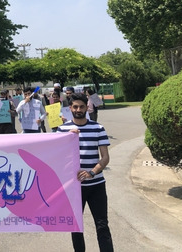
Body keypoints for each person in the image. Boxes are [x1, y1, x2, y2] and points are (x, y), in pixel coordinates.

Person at [57, 93, 114, 252]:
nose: (78, 109)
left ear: (87, 107)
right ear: (70, 108)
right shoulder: (63, 130)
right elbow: (58, 158)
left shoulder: (98, 128)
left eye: (81, 106)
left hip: (96, 185)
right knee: (76, 227)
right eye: (75, 107)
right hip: (75, 187)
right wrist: (68, 139)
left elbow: (105, 157)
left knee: (102, 225)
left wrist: (92, 172)